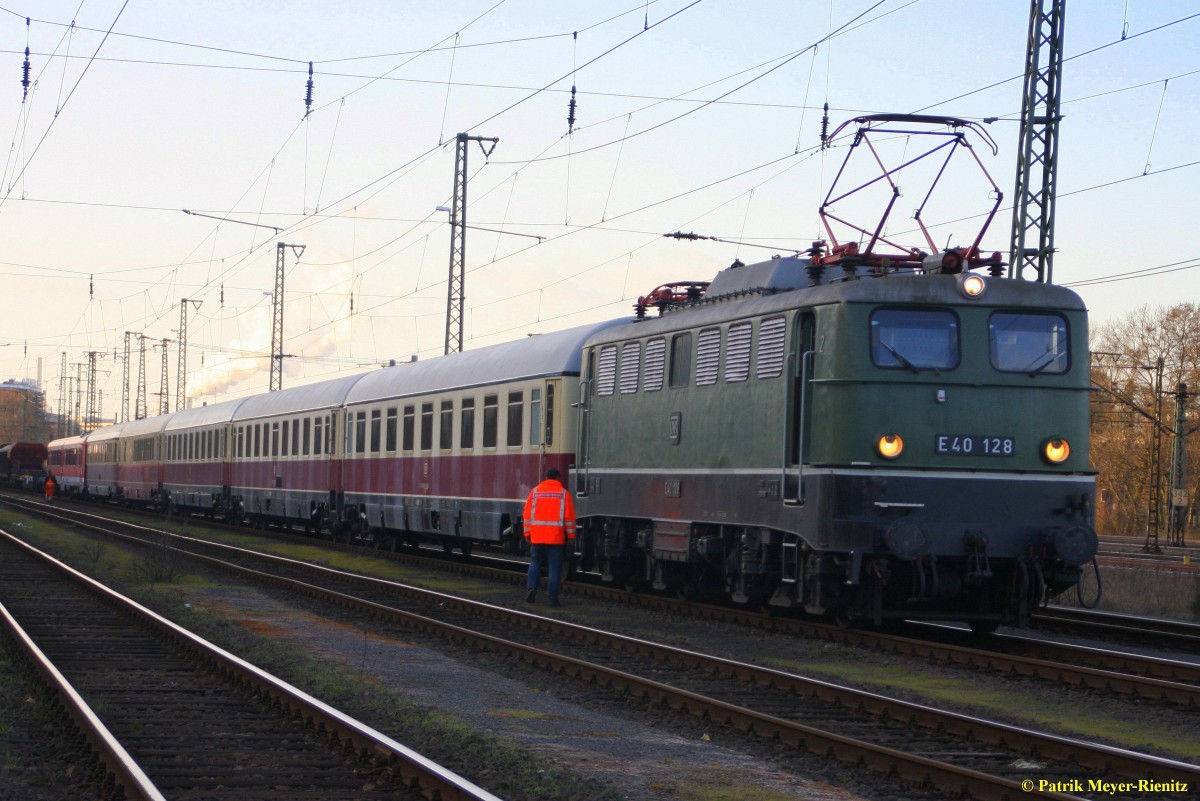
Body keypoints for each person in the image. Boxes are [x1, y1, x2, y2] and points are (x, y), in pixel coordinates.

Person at [522, 467, 576, 607]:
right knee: (554, 568)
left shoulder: (534, 493)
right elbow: (569, 518)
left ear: (546, 478)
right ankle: (552, 598)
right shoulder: (564, 494)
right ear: (558, 478)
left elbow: (527, 515)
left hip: (537, 537)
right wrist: (571, 536)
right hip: (556, 538)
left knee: (535, 563)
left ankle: (531, 589)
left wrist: (527, 534)